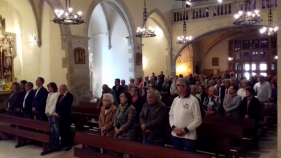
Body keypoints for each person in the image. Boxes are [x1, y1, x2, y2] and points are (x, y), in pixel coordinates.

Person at [169, 78, 202, 152]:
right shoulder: (175, 100)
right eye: (176, 85)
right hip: (175, 135)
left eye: (178, 85)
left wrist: (185, 130)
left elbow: (198, 120)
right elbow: (171, 116)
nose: (175, 87)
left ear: (184, 87)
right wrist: (173, 128)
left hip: (188, 137)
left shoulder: (193, 101)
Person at [56, 84, 73, 151]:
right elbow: (57, 105)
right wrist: (57, 112)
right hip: (59, 116)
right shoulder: (60, 96)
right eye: (59, 89)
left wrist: (60, 113)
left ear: (65, 89)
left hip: (66, 116)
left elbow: (66, 106)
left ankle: (69, 145)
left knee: (67, 131)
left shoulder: (69, 96)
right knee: (62, 130)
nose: (59, 91)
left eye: (61, 89)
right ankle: (63, 144)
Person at [45, 82, 60, 148]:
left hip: (53, 113)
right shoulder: (49, 94)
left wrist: (50, 113)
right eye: (48, 86)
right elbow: (47, 104)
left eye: (50, 86)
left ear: (53, 87)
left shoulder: (56, 94)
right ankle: (51, 140)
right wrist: (46, 112)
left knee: (55, 128)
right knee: (51, 128)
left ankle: (56, 142)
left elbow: (55, 105)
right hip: (48, 113)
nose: (48, 88)